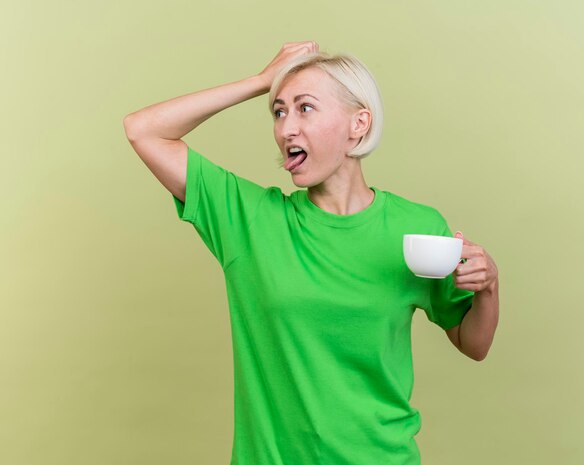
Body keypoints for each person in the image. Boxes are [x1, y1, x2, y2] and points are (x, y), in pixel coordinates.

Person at [123, 41, 499, 465]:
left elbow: (474, 343)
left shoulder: (417, 228)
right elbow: (144, 129)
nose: (286, 129)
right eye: (279, 112)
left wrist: (488, 287)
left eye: (305, 108)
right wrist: (259, 81)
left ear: (358, 124)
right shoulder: (249, 222)